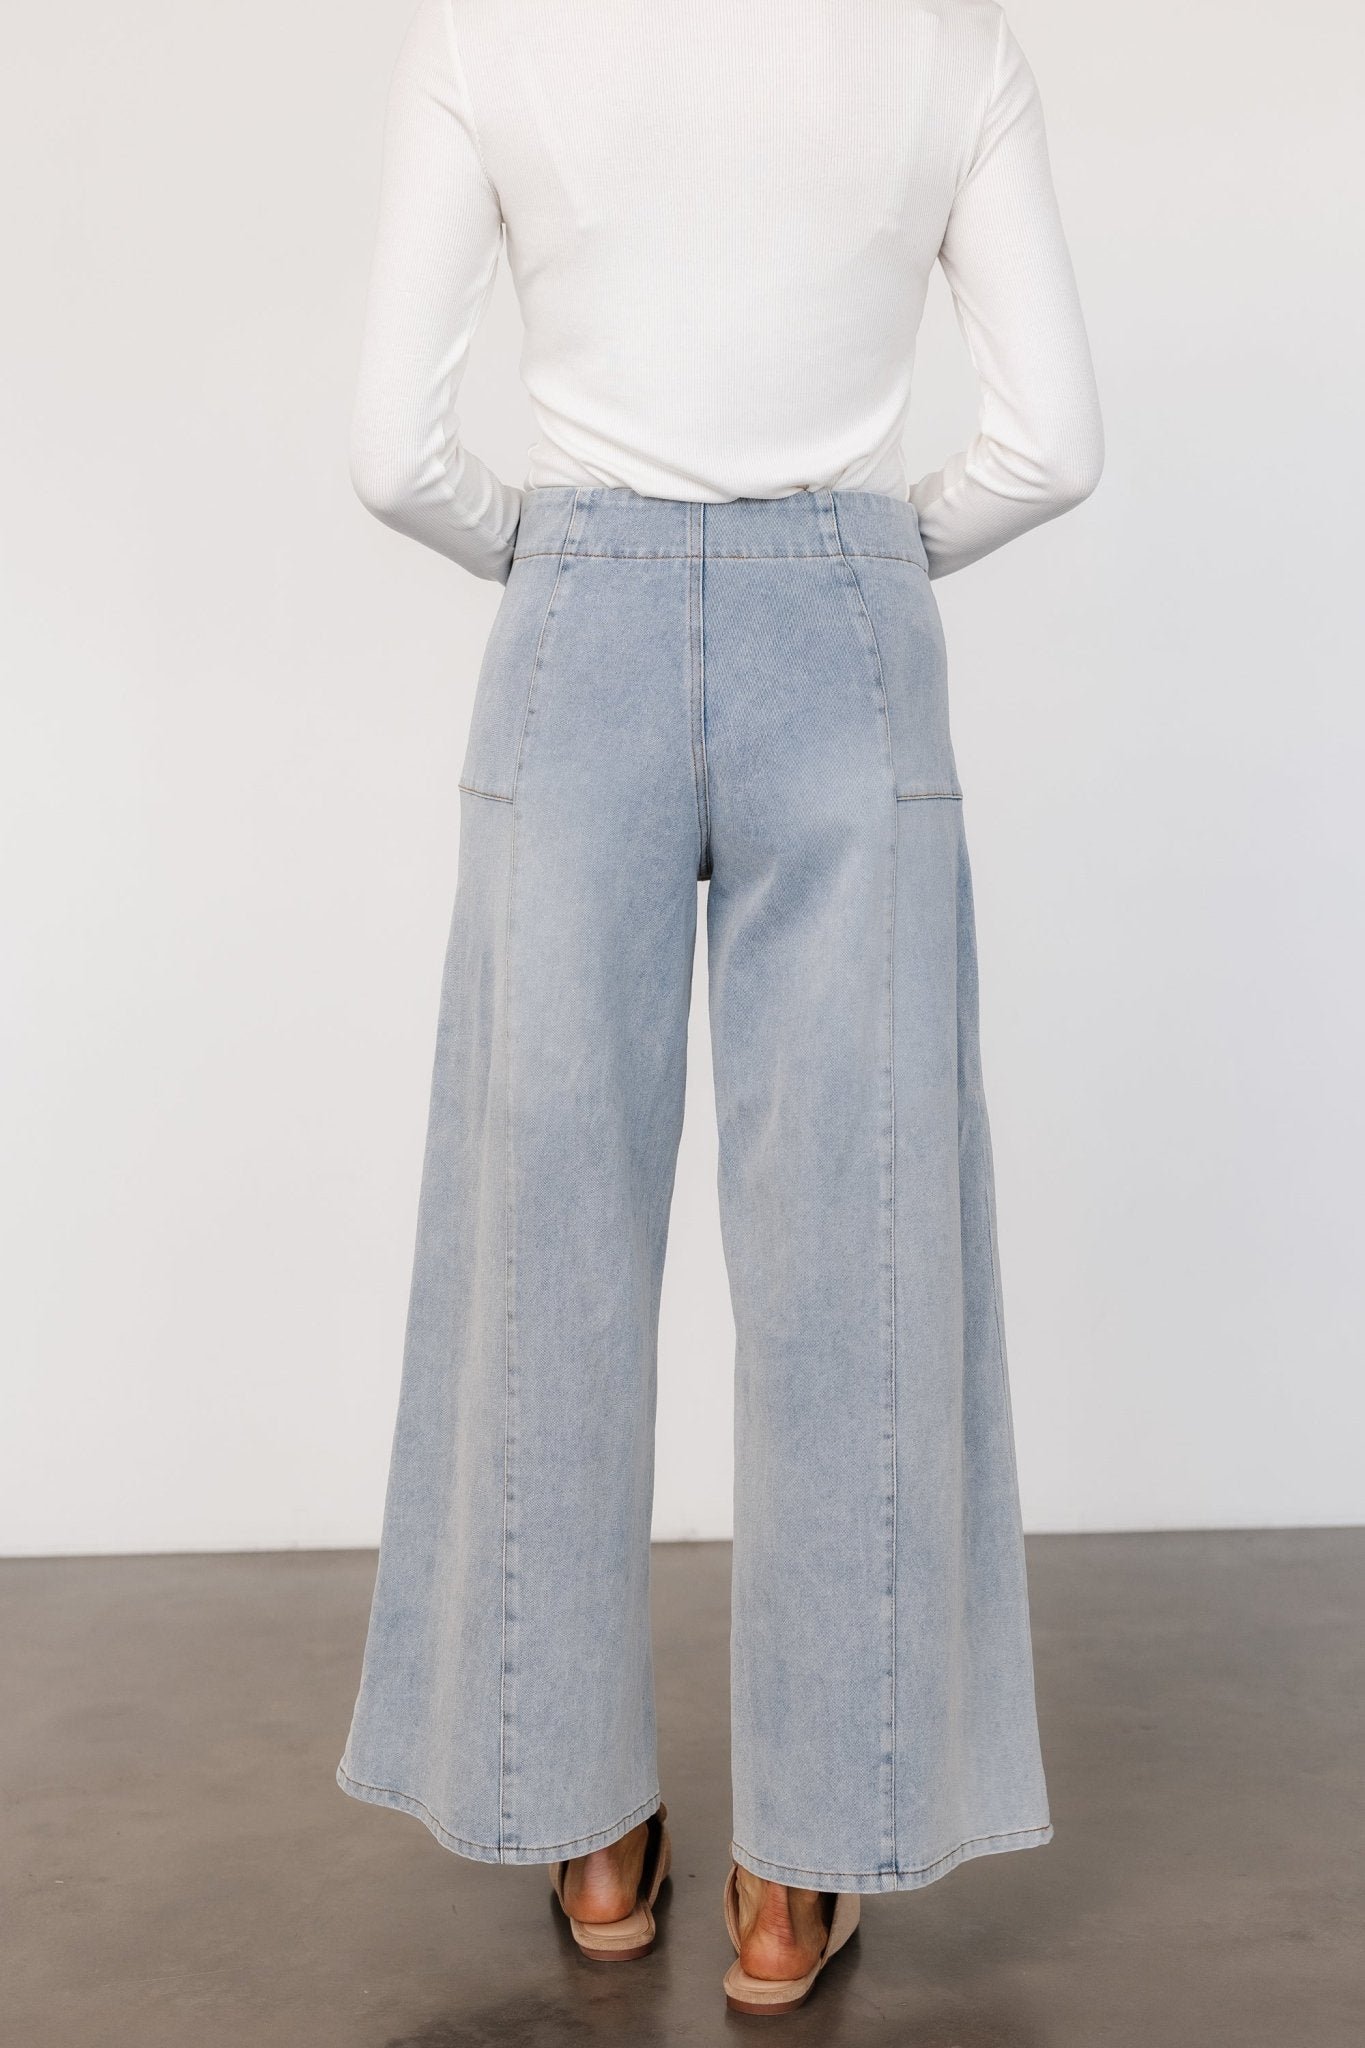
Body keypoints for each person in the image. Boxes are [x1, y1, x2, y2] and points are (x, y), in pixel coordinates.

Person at [336, 0, 1102, 2016]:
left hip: (572, 624)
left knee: (544, 1236)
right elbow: (1051, 443)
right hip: (845, 629)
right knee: (855, 1250)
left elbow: (391, 454)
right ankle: (794, 1878)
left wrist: (551, 547)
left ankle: (586, 1838)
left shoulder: (489, 37)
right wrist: (865, 555)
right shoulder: (945, 45)